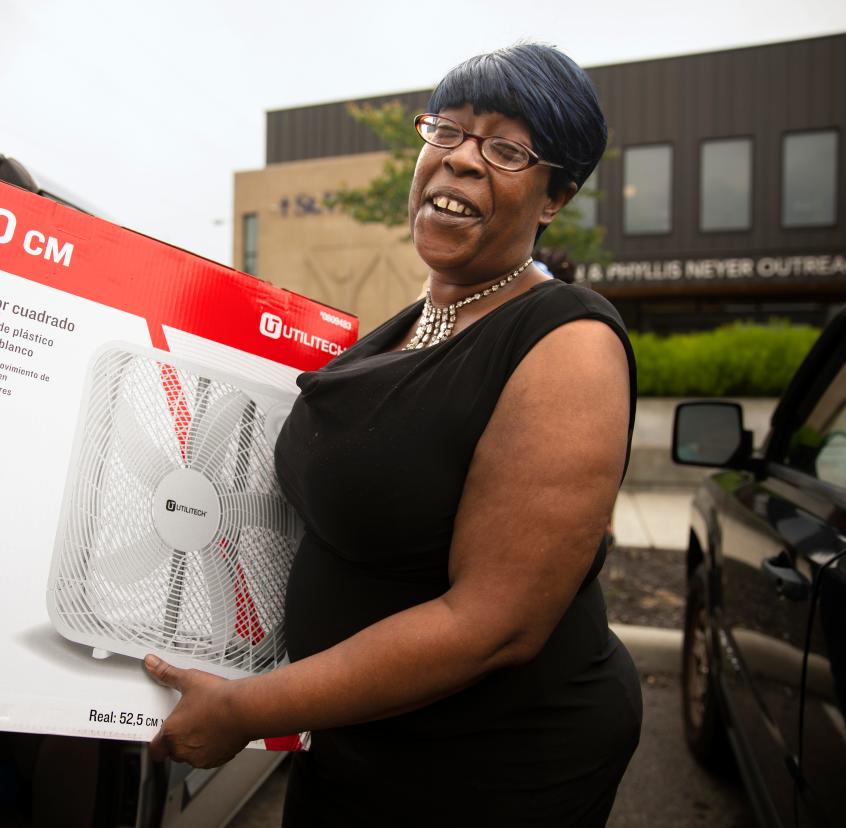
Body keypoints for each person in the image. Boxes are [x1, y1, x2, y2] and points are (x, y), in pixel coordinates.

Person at [144, 43, 640, 825]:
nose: (462, 162)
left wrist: (247, 708)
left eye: (506, 149)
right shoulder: (407, 325)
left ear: (554, 198)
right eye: (446, 131)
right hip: (355, 737)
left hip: (487, 768)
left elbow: (492, 624)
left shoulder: (567, 344)